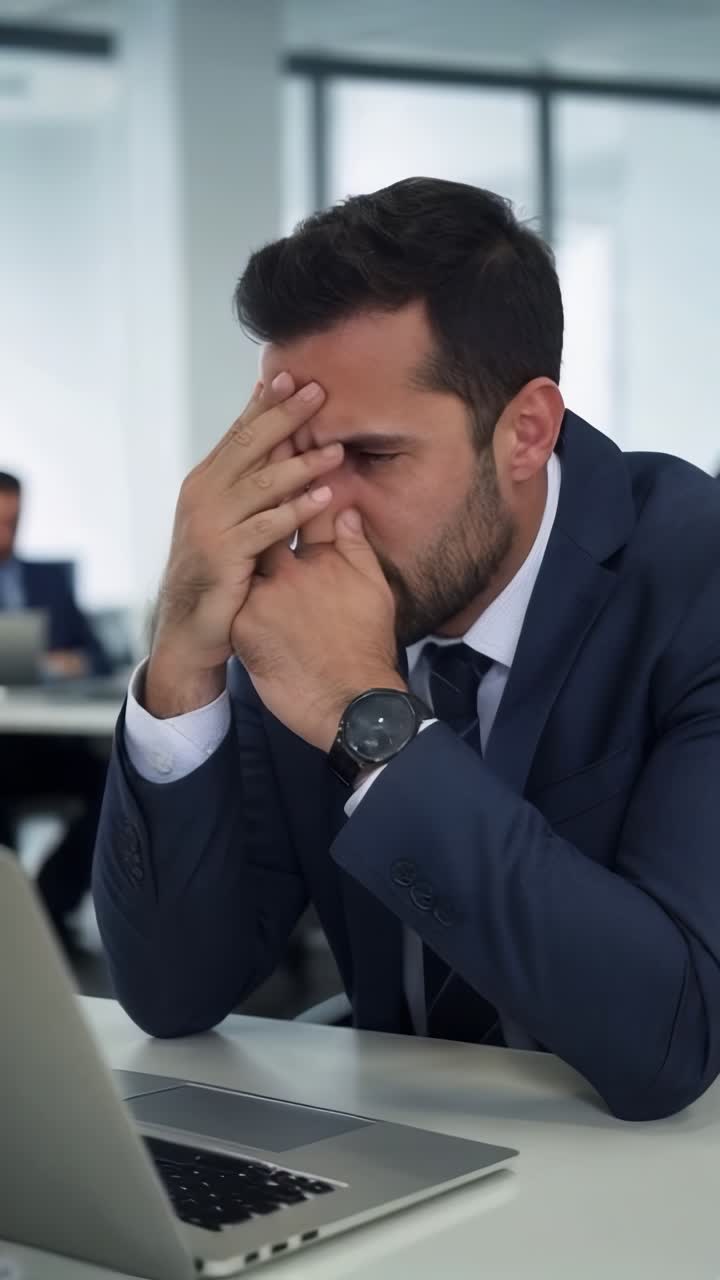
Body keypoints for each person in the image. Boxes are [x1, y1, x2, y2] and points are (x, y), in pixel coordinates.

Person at [93, 177, 720, 1122]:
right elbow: (175, 992)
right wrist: (184, 655)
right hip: (408, 1149)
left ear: (526, 431)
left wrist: (367, 713)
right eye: (296, 459)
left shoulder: (695, 581)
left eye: (374, 458)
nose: (321, 510)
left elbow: (669, 1037)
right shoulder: (306, 602)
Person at [0, 470, 111, 946]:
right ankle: (10, 919)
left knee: (118, 785)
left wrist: (64, 664)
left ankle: (45, 904)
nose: (6, 533)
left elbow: (99, 654)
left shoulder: (48, 579)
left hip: (47, 740)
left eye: (14, 521)